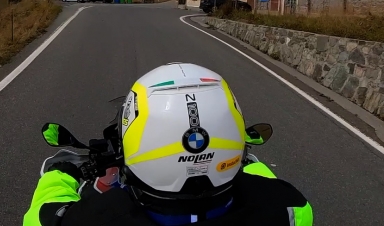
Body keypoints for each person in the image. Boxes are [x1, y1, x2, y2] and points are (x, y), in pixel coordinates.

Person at [23, 63, 313, 225]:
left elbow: (41, 215)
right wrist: (241, 159)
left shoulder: (94, 219)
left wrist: (60, 172)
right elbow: (261, 180)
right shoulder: (290, 208)